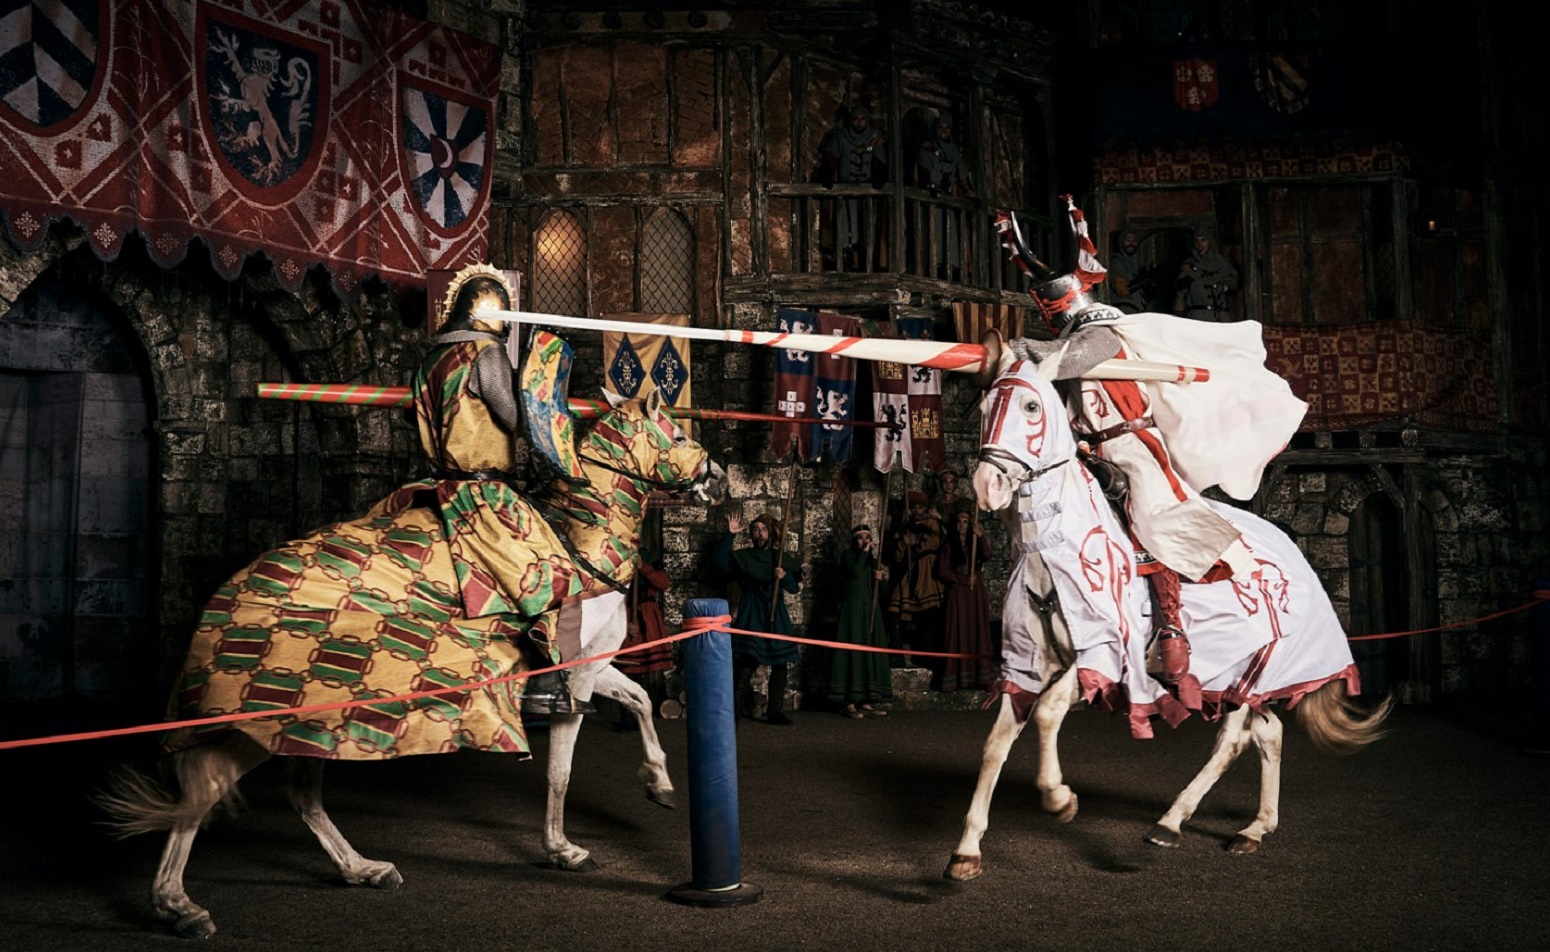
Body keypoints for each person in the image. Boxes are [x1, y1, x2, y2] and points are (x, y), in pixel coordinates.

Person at [998, 199, 1303, 688]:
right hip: (1092, 452)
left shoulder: (1102, 336)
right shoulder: (1070, 346)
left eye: (1058, 321)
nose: (1056, 328)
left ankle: (1170, 628)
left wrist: (1020, 350)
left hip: (1136, 450)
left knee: (1152, 520)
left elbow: (1072, 358)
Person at [412, 268, 592, 715]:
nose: (507, 319)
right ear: (483, 309)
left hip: (435, 485)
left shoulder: (431, 359)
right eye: (502, 310)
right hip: (482, 493)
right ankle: (545, 685)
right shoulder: (485, 352)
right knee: (552, 570)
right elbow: (516, 418)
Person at [715, 512, 803, 725]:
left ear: (770, 533)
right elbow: (721, 564)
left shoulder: (780, 557)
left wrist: (784, 576)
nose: (759, 534)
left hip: (775, 612)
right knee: (748, 660)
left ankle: (774, 711)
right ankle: (733, 711)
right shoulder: (745, 557)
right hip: (752, 611)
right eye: (755, 530)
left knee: (781, 664)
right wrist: (729, 534)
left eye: (763, 529)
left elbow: (792, 589)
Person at [827, 525, 894, 717]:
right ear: (854, 541)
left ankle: (867, 699)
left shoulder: (874, 561)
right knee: (853, 648)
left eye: (868, 537)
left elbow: (883, 592)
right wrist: (864, 553)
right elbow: (855, 572)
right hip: (853, 611)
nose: (864, 540)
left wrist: (880, 579)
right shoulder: (848, 556)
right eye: (860, 537)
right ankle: (849, 701)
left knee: (870, 650)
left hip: (870, 612)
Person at [819, 104, 887, 270]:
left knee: (866, 229)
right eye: (856, 119)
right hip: (846, 191)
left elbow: (880, 162)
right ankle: (848, 264)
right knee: (847, 230)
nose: (859, 123)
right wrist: (827, 175)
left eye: (862, 120)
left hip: (867, 193)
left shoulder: (875, 137)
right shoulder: (841, 137)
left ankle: (866, 265)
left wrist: (879, 178)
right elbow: (831, 158)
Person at [936, 511, 994, 692]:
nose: (963, 525)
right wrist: (962, 580)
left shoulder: (974, 542)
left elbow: (988, 555)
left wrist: (981, 536)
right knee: (957, 631)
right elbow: (941, 571)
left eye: (966, 522)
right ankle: (955, 679)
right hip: (958, 592)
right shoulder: (948, 545)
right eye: (959, 522)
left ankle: (980, 678)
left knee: (976, 630)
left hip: (975, 592)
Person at [887, 491, 944, 670]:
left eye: (920, 507)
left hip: (928, 575)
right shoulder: (906, 528)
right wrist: (904, 539)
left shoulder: (932, 523)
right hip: (910, 573)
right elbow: (897, 556)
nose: (917, 510)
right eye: (914, 508)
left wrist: (909, 526)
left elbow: (931, 528)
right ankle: (896, 656)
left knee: (928, 617)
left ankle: (927, 657)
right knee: (894, 611)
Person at [616, 558, 674, 724]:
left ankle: (644, 715)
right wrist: (623, 623)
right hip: (627, 617)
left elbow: (663, 583)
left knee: (647, 670)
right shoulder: (617, 562)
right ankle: (627, 718)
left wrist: (643, 567)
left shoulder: (651, 563)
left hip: (648, 622)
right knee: (626, 669)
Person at [916, 114, 971, 279]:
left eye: (946, 128)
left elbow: (962, 174)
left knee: (951, 236)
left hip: (949, 198)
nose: (943, 131)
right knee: (934, 235)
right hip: (934, 197)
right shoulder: (927, 149)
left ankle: (951, 270)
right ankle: (934, 269)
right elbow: (923, 169)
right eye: (940, 128)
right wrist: (928, 185)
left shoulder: (953, 150)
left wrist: (970, 192)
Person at [1173, 227, 1238, 321]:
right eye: (1197, 241)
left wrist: (1230, 284)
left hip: (1221, 317)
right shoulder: (1188, 267)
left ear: (1209, 242)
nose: (1200, 245)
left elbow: (1233, 284)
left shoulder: (1221, 263)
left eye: (1203, 240)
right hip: (1199, 318)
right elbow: (1179, 295)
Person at [1107, 230, 1153, 313]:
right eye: (1128, 240)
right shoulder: (1116, 262)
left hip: (1136, 308)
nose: (1131, 244)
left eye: (1134, 240)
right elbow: (1123, 290)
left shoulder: (1133, 263)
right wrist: (1144, 280)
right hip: (1124, 309)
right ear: (1121, 243)